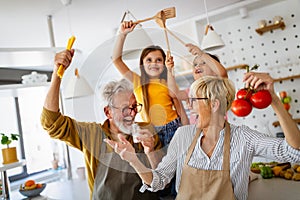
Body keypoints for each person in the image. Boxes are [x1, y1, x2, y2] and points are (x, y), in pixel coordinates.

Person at [104, 73, 300, 200]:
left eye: (194, 100)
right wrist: (133, 160)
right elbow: (158, 181)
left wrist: (273, 100)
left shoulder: (244, 138)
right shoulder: (184, 135)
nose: (189, 106)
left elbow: (295, 152)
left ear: (214, 105)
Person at [40, 49, 163, 200]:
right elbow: (51, 122)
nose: (132, 113)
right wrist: (56, 75)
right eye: (125, 109)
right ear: (108, 112)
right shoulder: (91, 134)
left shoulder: (147, 131)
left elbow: (161, 182)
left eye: (134, 107)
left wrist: (150, 151)